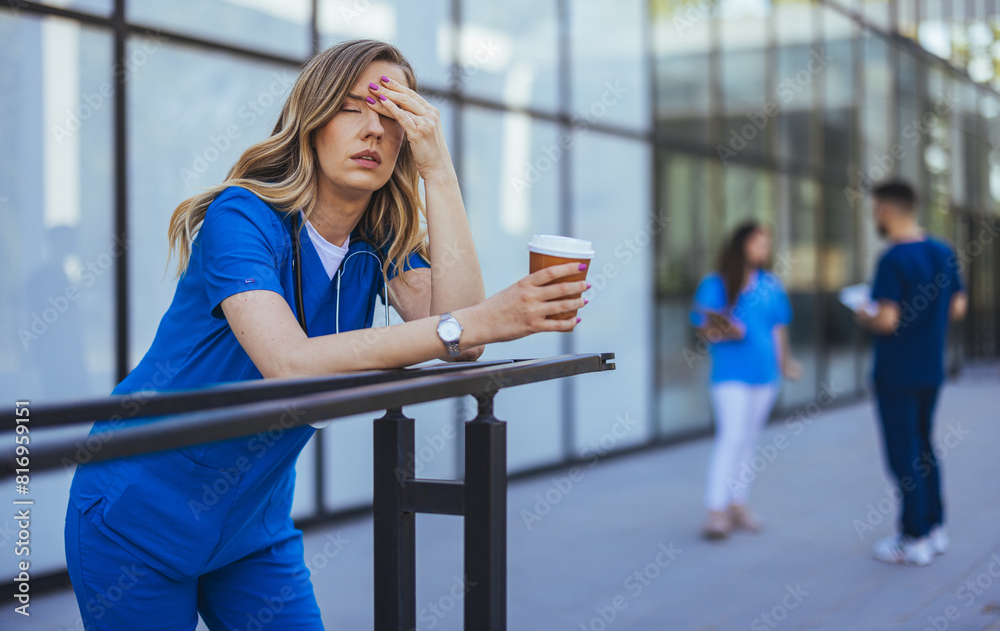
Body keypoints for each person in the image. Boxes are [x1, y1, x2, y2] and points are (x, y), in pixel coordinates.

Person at [63, 39, 590, 629]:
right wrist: (482, 319)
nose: (373, 129)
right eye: (351, 107)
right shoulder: (241, 217)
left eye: (393, 115)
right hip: (137, 517)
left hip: (250, 526)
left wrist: (438, 168)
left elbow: (464, 336)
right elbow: (288, 362)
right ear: (310, 122)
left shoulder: (379, 239)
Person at [855, 180, 967, 566]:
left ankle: (913, 536)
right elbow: (958, 307)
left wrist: (864, 313)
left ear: (886, 210)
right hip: (930, 370)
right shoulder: (943, 252)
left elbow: (887, 320)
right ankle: (934, 528)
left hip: (897, 373)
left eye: (875, 210)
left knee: (903, 454)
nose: (875, 217)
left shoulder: (892, 260)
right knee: (925, 448)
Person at [690, 221, 801, 540]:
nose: (763, 250)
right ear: (741, 245)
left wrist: (786, 364)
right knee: (731, 437)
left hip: (766, 375)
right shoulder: (716, 283)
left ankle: (737, 504)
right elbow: (703, 330)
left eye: (767, 244)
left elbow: (779, 329)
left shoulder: (771, 284)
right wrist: (726, 331)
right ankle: (715, 511)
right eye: (758, 243)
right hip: (730, 374)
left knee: (749, 440)